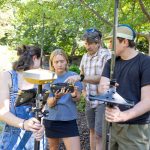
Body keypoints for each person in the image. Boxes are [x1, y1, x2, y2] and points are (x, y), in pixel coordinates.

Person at [99, 24, 150, 150]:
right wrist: (105, 88)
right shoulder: (111, 63)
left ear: (125, 42)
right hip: (114, 125)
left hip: (136, 129)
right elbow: (101, 87)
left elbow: (148, 100)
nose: (109, 45)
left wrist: (123, 115)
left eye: (112, 41)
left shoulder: (145, 62)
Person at [66, 28, 111, 150]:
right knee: (91, 131)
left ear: (98, 42)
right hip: (89, 100)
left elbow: (103, 78)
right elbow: (82, 73)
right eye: (86, 43)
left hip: (103, 101)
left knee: (99, 134)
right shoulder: (85, 57)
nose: (88, 46)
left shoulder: (106, 55)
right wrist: (84, 91)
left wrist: (81, 78)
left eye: (91, 43)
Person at [0, 45, 44, 150]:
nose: (42, 65)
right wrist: (24, 124)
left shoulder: (41, 78)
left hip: (35, 138)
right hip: (12, 140)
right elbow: (2, 112)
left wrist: (42, 128)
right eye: (41, 60)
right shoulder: (7, 76)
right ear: (35, 58)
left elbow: (42, 111)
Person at [43, 49, 83, 150]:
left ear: (66, 61)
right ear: (52, 63)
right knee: (53, 148)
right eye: (56, 62)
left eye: (62, 61)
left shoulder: (73, 77)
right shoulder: (48, 78)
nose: (59, 64)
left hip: (69, 119)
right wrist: (57, 97)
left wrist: (74, 94)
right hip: (52, 119)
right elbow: (49, 103)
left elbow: (77, 99)